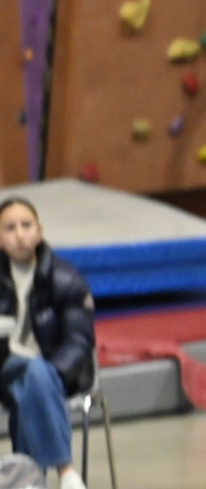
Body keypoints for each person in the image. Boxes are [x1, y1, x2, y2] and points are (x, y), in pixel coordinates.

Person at [0, 198, 94, 489]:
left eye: (26, 225)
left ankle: (29, 480)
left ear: (39, 231)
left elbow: (79, 342)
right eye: (9, 228)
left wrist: (52, 374)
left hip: (57, 372)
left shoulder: (66, 279)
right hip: (4, 368)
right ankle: (66, 472)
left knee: (34, 378)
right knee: (32, 375)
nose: (20, 234)